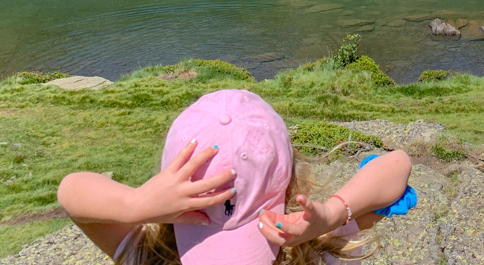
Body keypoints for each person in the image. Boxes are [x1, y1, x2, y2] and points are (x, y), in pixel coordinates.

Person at [58, 89, 413, 265]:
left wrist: (333, 216)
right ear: (289, 182)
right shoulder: (307, 251)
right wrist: (338, 216)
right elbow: (71, 192)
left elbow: (396, 167)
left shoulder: (152, 256)